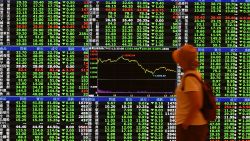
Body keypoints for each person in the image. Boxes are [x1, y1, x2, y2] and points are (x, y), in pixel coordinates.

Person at [172, 44, 208, 141]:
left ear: (183, 61)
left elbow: (197, 103)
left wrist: (185, 124)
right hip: (193, 126)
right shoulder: (193, 74)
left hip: (191, 128)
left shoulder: (189, 78)